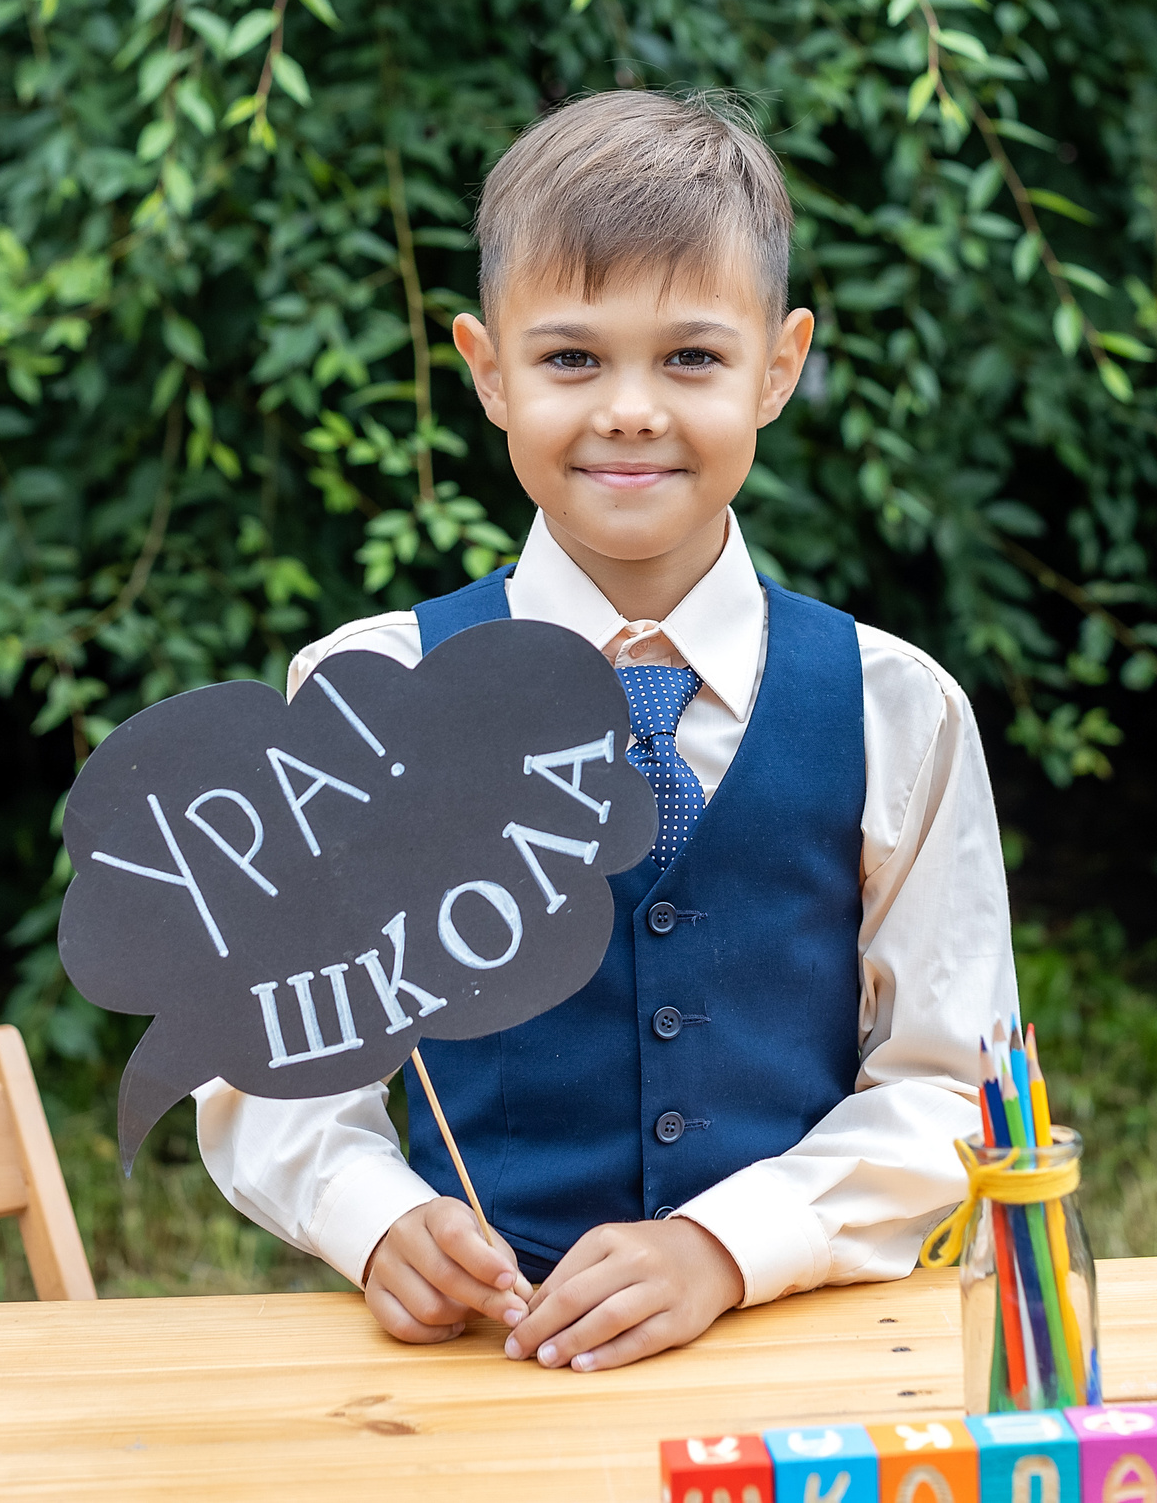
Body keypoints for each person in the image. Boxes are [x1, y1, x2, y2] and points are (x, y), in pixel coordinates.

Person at [196, 89, 1018, 1373]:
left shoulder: (894, 706)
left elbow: (954, 1085)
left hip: (797, 1345)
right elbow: (278, 1049)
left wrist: (728, 1247)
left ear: (779, 367)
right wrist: (375, 1218)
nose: (630, 409)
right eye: (572, 359)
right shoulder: (372, 695)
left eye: (691, 358)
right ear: (488, 371)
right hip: (484, 1357)